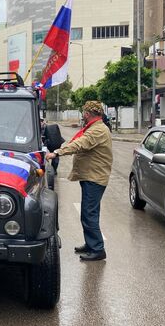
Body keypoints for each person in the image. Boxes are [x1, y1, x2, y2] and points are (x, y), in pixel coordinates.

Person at [45, 101, 113, 261]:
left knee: (89, 213)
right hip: (91, 176)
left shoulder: (97, 131)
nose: (83, 115)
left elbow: (80, 144)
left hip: (95, 178)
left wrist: (57, 153)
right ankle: (91, 244)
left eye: (84, 112)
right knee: (87, 213)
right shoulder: (95, 127)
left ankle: (97, 249)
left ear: (88, 114)